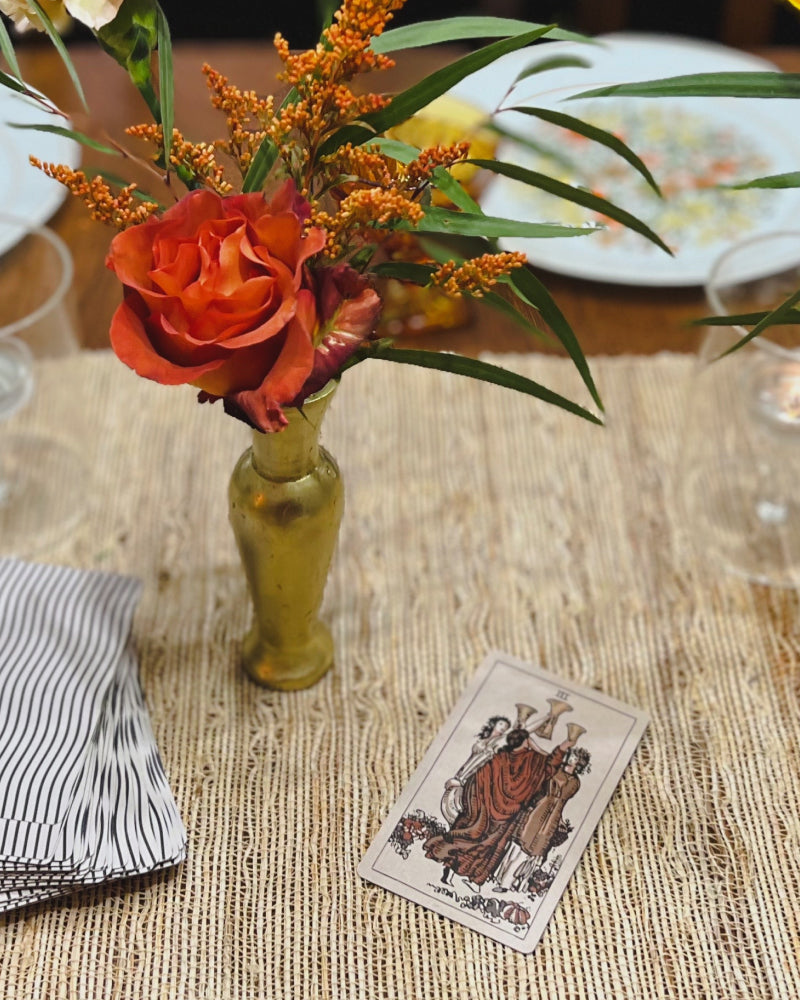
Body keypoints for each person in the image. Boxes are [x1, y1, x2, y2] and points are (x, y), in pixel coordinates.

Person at [425, 727, 575, 891]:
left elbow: (477, 780)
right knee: (487, 848)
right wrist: (546, 748)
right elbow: (550, 766)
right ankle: (473, 879)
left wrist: (477, 807)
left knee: (468, 836)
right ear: (526, 741)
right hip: (504, 817)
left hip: (483, 810)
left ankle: (449, 871)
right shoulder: (533, 759)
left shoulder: (500, 758)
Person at [493, 746, 591, 893]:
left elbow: (562, 796)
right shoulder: (556, 771)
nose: (570, 759)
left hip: (552, 814)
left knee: (531, 848)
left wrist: (561, 820)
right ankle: (499, 876)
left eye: (575, 758)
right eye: (571, 756)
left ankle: (506, 884)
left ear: (579, 763)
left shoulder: (574, 782)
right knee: (518, 843)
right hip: (539, 807)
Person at [440, 715, 510, 825]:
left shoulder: (498, 742)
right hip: (464, 772)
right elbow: (471, 760)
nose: (503, 727)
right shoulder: (484, 739)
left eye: (506, 726)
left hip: (474, 777)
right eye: (501, 724)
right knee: (450, 804)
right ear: (494, 724)